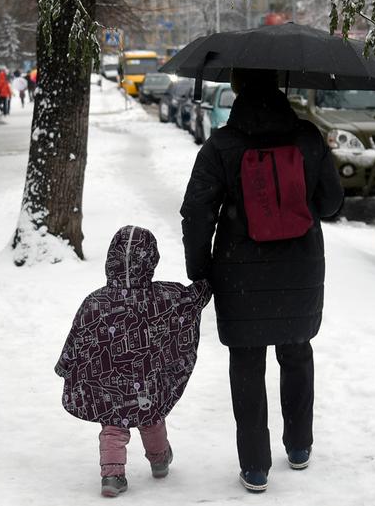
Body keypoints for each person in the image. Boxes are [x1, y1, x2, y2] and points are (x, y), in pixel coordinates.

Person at [180, 68, 344, 493]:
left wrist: (199, 270)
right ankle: (300, 446)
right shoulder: (307, 137)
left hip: (238, 272)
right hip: (300, 269)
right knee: (296, 352)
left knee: (247, 363)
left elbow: (197, 213)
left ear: (237, 88)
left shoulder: (222, 145)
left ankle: (255, 467)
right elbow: (330, 203)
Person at [54, 225, 212, 498]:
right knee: (152, 418)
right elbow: (193, 299)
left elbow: (78, 336)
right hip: (147, 384)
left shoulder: (95, 303)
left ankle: (112, 475)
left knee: (113, 426)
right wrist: (210, 280)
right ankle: (160, 459)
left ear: (111, 259)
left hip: (107, 386)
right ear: (151, 260)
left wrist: (65, 364)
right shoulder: (165, 297)